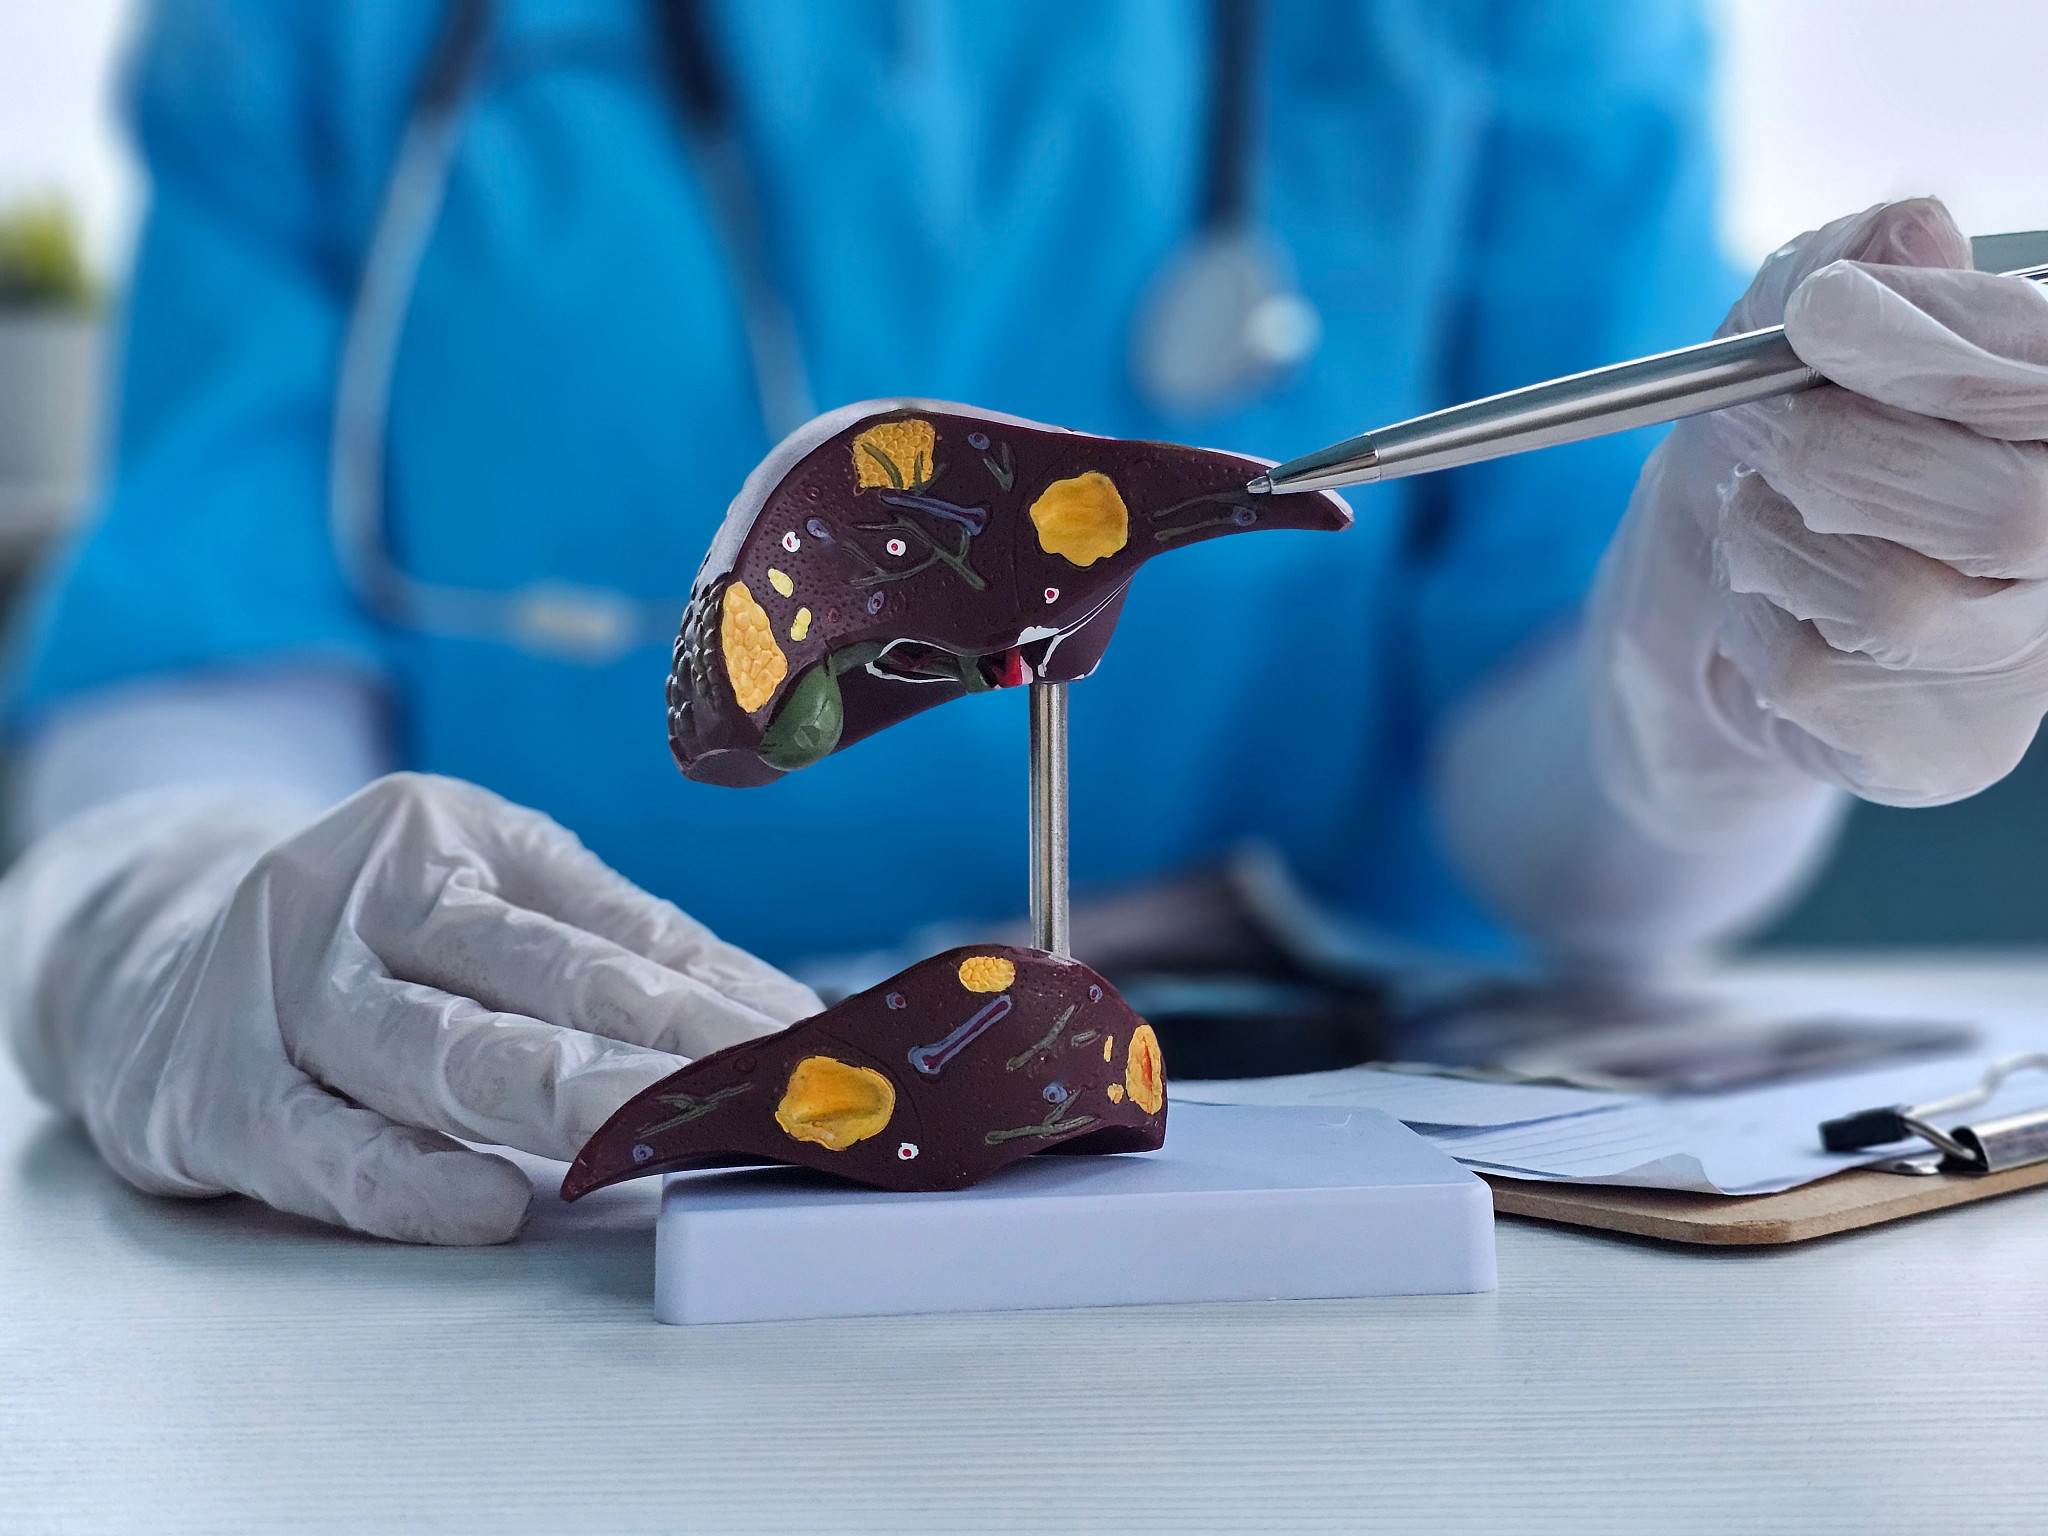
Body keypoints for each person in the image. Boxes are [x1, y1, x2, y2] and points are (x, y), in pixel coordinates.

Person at [5, 0, 2046, 1246]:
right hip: (524, 1276)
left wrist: (1713, 666)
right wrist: (160, 907)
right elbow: (202, 649)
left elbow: (1550, 784)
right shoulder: (313, 22)